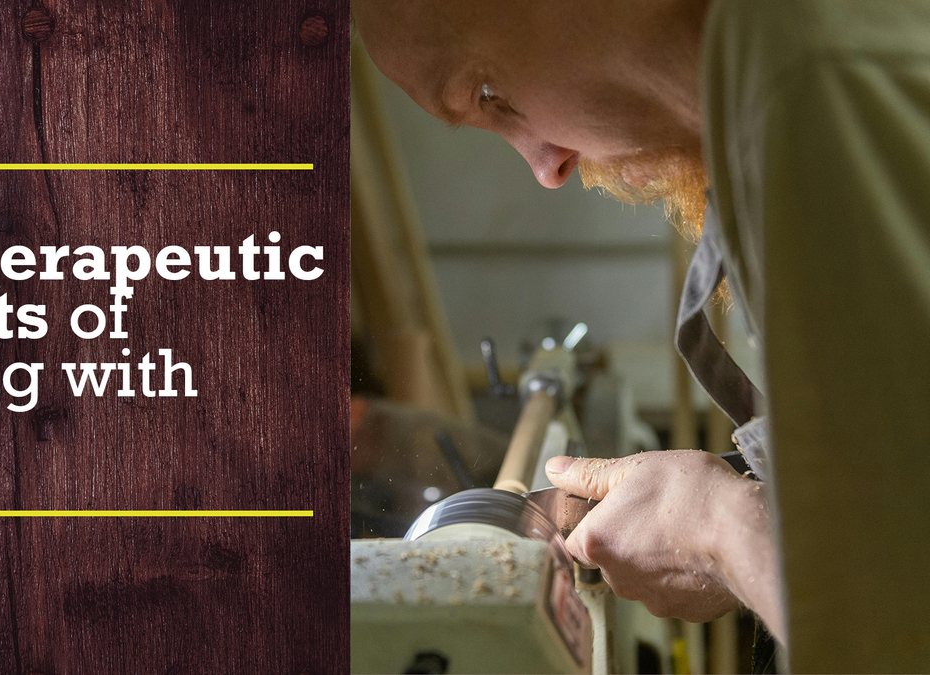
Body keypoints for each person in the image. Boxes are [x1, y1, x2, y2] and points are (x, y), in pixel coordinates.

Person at [354, 0, 930, 670]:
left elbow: (898, 624)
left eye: (489, 91)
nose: (545, 168)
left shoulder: (811, 76)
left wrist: (723, 529)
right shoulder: (770, 82)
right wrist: (742, 512)